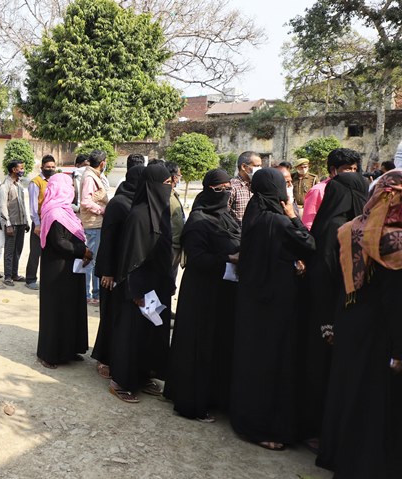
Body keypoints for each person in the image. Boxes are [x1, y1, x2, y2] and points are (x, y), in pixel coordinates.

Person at [316, 169, 402, 478]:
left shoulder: (352, 228)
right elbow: (395, 301)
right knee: (372, 399)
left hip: (349, 317)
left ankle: (335, 454)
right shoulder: (394, 240)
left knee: (345, 388)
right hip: (379, 330)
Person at [229, 168, 316, 451]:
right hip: (276, 304)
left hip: (253, 301)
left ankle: (247, 420)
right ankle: (263, 427)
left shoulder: (254, 214)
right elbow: (310, 245)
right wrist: (293, 215)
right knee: (273, 365)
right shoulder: (279, 220)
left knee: (253, 361)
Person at [163, 169, 241, 422]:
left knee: (217, 346)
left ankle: (215, 397)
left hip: (223, 294)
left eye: (228, 188)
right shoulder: (198, 221)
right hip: (202, 294)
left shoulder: (226, 217)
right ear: (208, 190)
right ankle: (191, 402)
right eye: (220, 189)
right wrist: (229, 257)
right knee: (198, 346)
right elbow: (196, 259)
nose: (226, 192)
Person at [298, 172, 368, 449]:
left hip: (331, 311)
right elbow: (325, 275)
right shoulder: (337, 228)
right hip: (328, 315)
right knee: (320, 371)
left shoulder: (345, 225)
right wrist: (328, 323)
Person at [96, 164, 174, 403]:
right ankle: (121, 381)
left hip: (156, 285)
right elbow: (132, 259)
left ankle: (142, 375)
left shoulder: (159, 212)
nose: (170, 188)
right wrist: (138, 291)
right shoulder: (139, 216)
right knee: (130, 335)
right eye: (167, 184)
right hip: (138, 290)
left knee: (150, 335)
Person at [36, 173, 92, 368]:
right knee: (56, 311)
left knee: (71, 309)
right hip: (57, 271)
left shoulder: (66, 211)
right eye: (70, 186)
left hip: (71, 269)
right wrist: (82, 250)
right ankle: (50, 354)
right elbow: (59, 243)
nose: (73, 190)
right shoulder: (53, 213)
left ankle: (70, 349)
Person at [302, 148, 360, 229]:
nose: (352, 173)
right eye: (348, 169)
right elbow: (309, 224)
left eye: (355, 169)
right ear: (333, 170)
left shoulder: (355, 190)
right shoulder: (319, 191)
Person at [79, 149, 110, 304]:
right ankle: (87, 294)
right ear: (102, 163)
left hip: (96, 224)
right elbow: (85, 201)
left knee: (95, 260)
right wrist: (102, 211)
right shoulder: (90, 177)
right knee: (90, 260)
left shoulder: (94, 175)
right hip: (93, 223)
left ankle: (96, 293)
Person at [25, 155, 57, 289]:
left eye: (53, 167)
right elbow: (33, 206)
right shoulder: (36, 182)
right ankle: (31, 279)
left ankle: (47, 279)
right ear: (42, 167)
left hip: (53, 220)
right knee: (36, 251)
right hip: (40, 221)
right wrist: (37, 224)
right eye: (48, 167)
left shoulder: (55, 181)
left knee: (50, 251)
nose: (50, 169)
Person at [0, 160, 29, 286]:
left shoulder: (19, 185)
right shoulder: (5, 185)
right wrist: (8, 224)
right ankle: (7, 276)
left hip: (21, 222)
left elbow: (22, 205)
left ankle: (15, 274)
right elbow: (3, 207)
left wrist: (26, 221)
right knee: (10, 250)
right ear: (13, 170)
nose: (22, 170)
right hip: (12, 224)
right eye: (20, 168)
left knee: (18, 250)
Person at [228, 151, 262, 226]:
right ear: (243, 166)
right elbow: (224, 215)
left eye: (260, 166)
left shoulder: (258, 185)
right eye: (256, 166)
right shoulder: (232, 187)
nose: (259, 169)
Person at [166, 161, 185, 285]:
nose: (179, 179)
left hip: (176, 245)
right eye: (179, 175)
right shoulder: (166, 195)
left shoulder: (173, 194)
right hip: (170, 245)